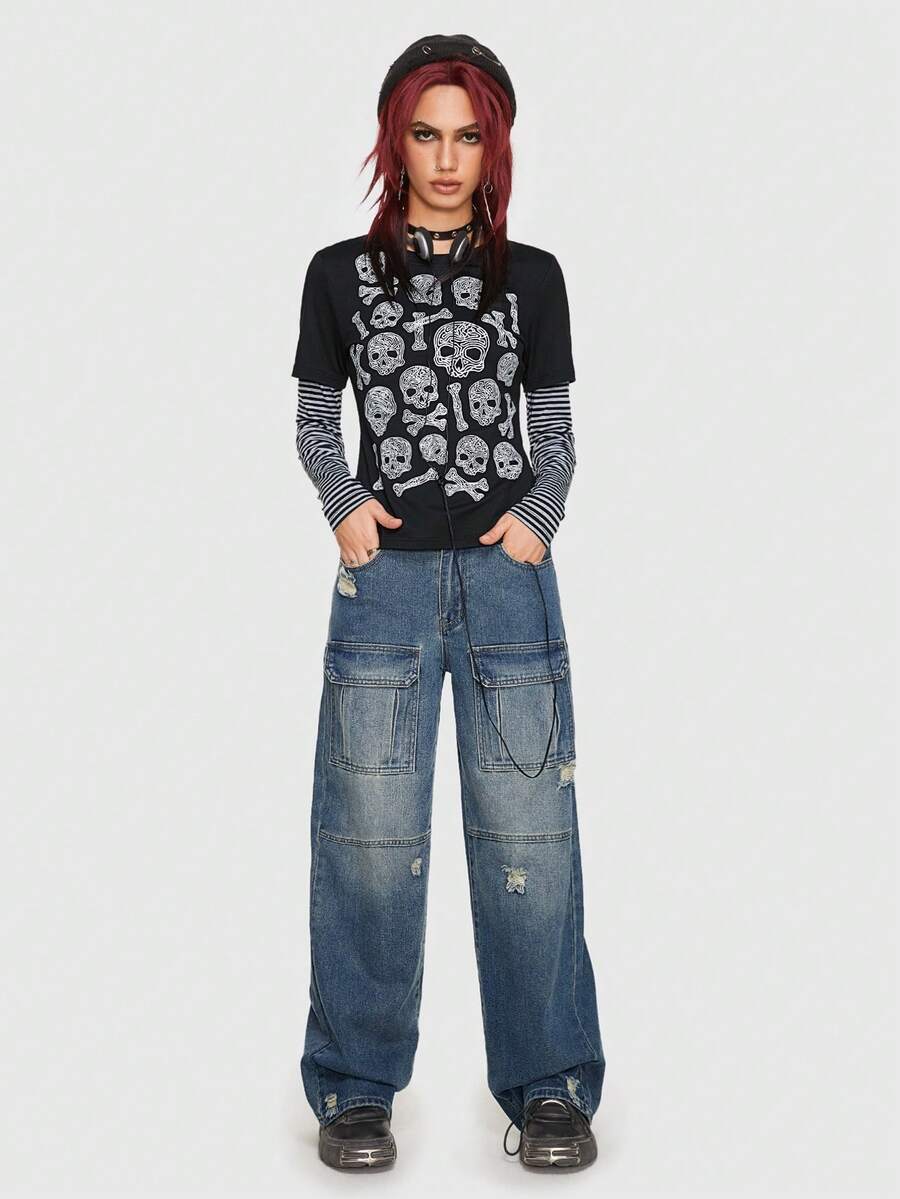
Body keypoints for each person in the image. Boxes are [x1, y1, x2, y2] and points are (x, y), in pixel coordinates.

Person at [291, 34, 606, 1172]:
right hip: (382, 585)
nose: (445, 158)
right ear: (395, 140)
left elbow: (554, 434)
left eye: (468, 136)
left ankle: (550, 1083)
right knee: (368, 832)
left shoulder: (535, 278)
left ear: (494, 147)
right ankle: (355, 1087)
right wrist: (344, 508)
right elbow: (314, 418)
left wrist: (536, 521)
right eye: (425, 134)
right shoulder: (339, 275)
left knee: (529, 830)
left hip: (507, 579)